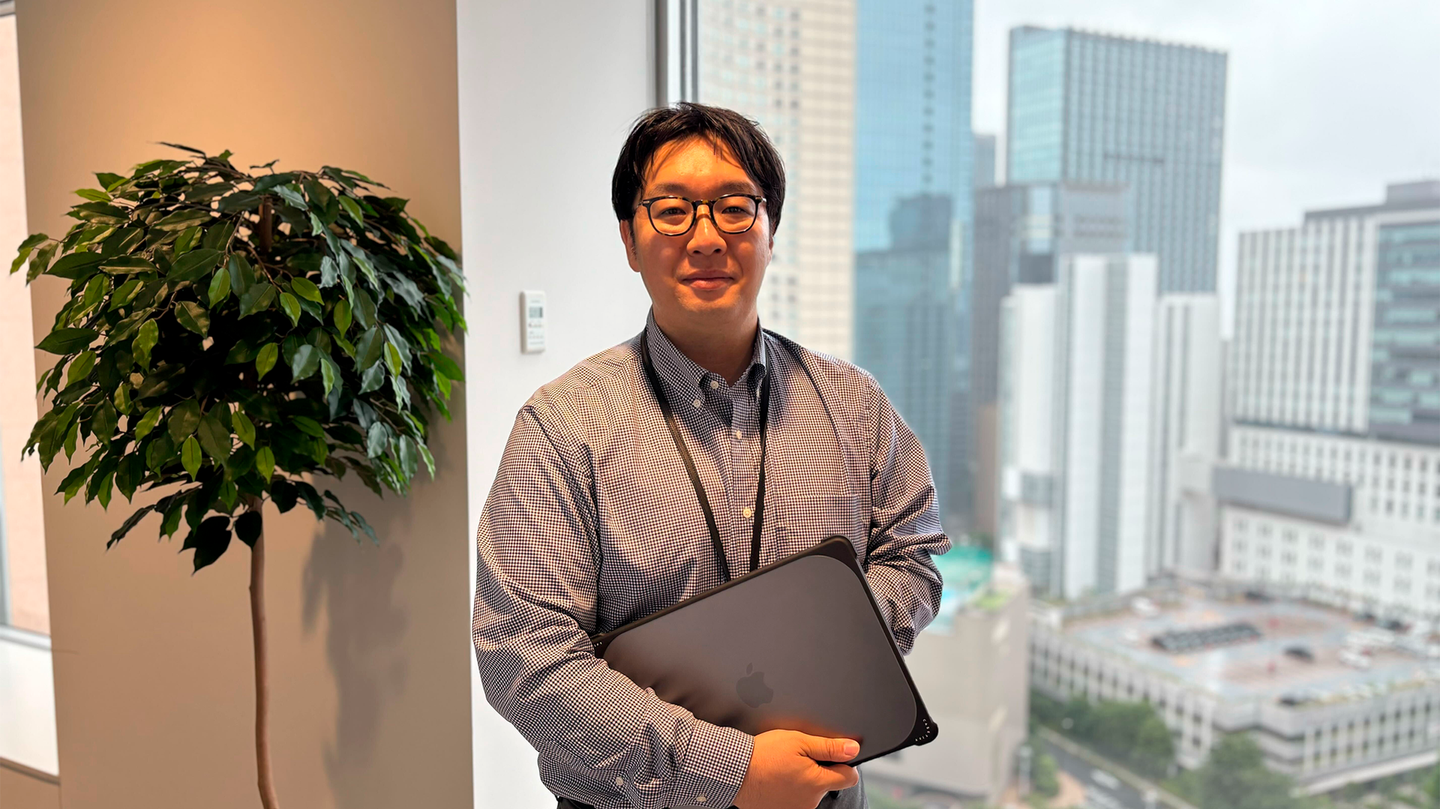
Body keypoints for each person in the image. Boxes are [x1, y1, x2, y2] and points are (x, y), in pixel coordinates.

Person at [472, 102, 950, 809]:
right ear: (630, 239)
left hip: (823, 793)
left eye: (734, 208)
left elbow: (913, 554)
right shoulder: (562, 427)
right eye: (672, 211)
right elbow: (526, 656)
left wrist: (817, 652)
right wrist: (735, 768)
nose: (705, 238)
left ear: (770, 230)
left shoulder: (854, 404)